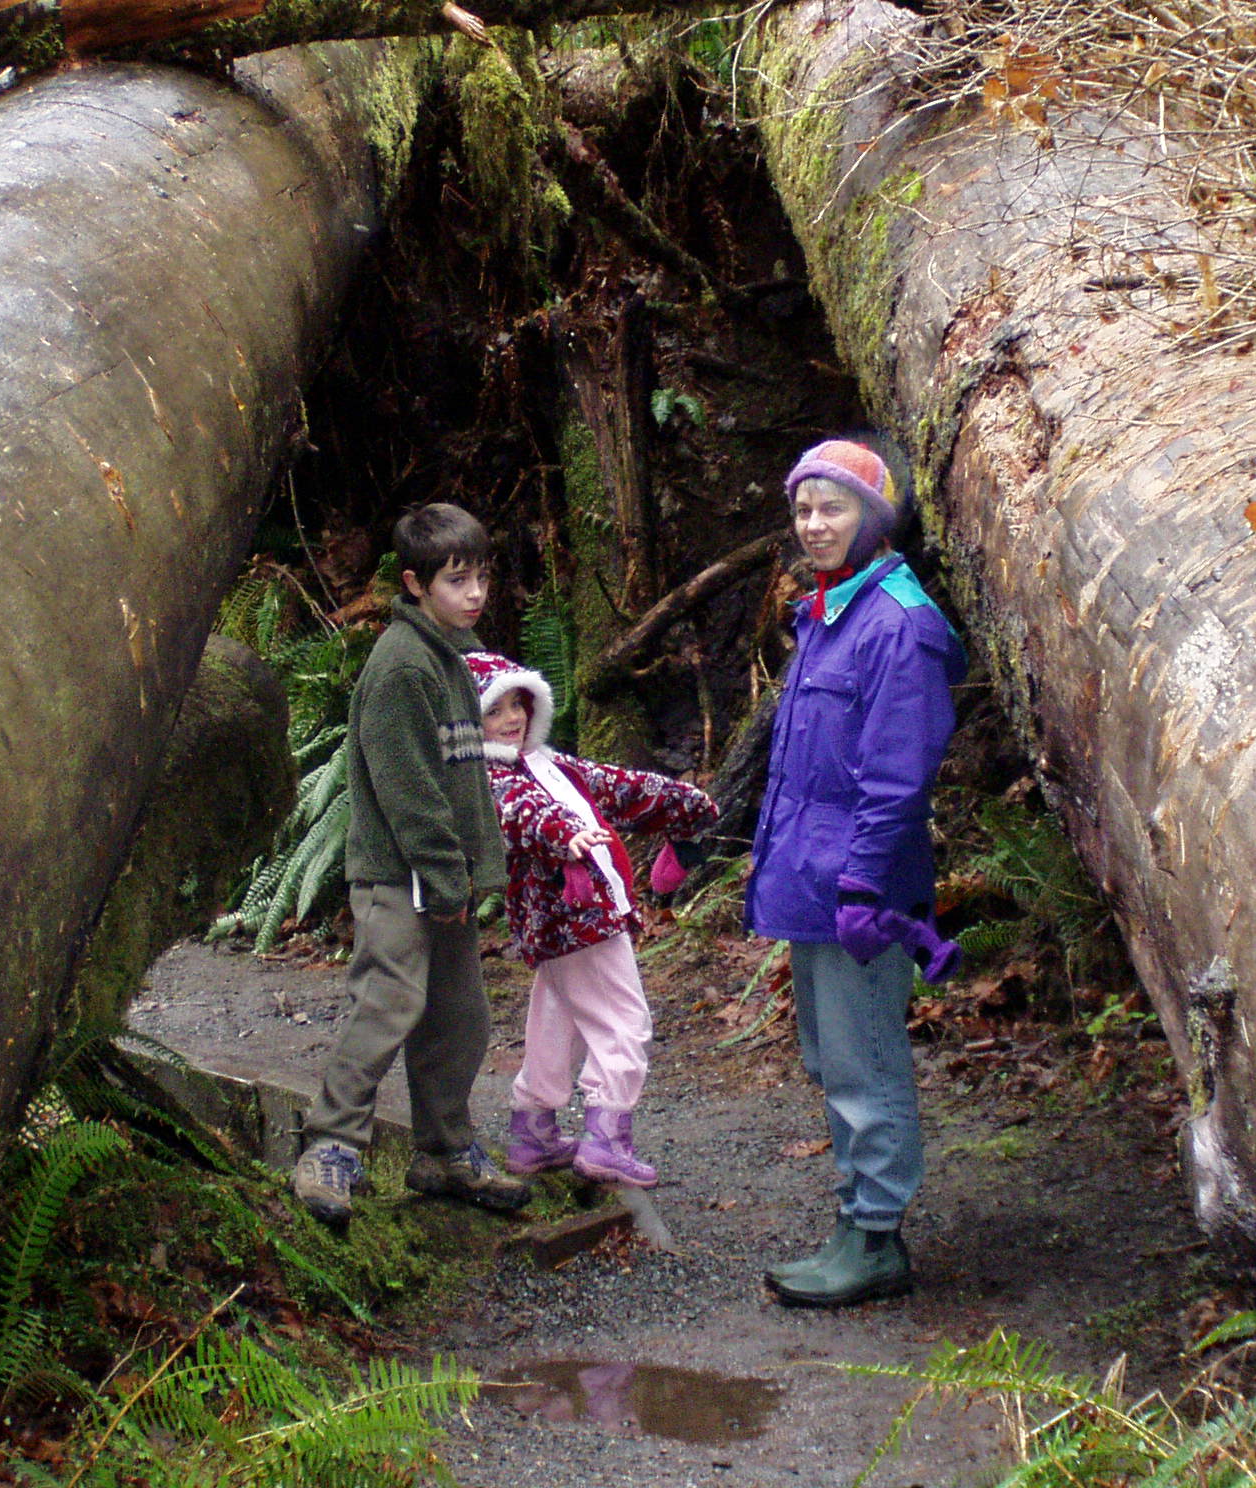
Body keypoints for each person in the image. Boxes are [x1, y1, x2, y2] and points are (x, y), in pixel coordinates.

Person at [747, 437, 967, 1307]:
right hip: (812, 881)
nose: (814, 523)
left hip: (857, 893)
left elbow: (896, 776)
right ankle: (857, 1220)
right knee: (831, 1055)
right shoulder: (831, 613)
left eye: (832, 506)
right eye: (803, 509)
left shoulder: (899, 624)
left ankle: (875, 1238)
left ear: (873, 516)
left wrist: (866, 886)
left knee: (864, 1061)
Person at [289, 503, 532, 1220]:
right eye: (458, 580)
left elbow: (460, 773)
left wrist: (465, 872)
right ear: (415, 583)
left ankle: (446, 1151)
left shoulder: (448, 657)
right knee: (386, 1006)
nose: (475, 593)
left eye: (481, 576)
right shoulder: (401, 666)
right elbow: (409, 790)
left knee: (458, 1016)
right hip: (402, 879)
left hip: (440, 879)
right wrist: (446, 872)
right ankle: (329, 1148)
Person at [468, 649, 718, 1188]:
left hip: (570, 925)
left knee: (557, 1021)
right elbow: (519, 813)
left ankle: (532, 1133)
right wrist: (565, 834)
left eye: (519, 704)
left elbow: (619, 786)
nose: (512, 719)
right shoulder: (489, 777)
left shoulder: (551, 765)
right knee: (624, 1022)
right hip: (577, 919)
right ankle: (607, 1140)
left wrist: (684, 803)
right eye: (495, 711)